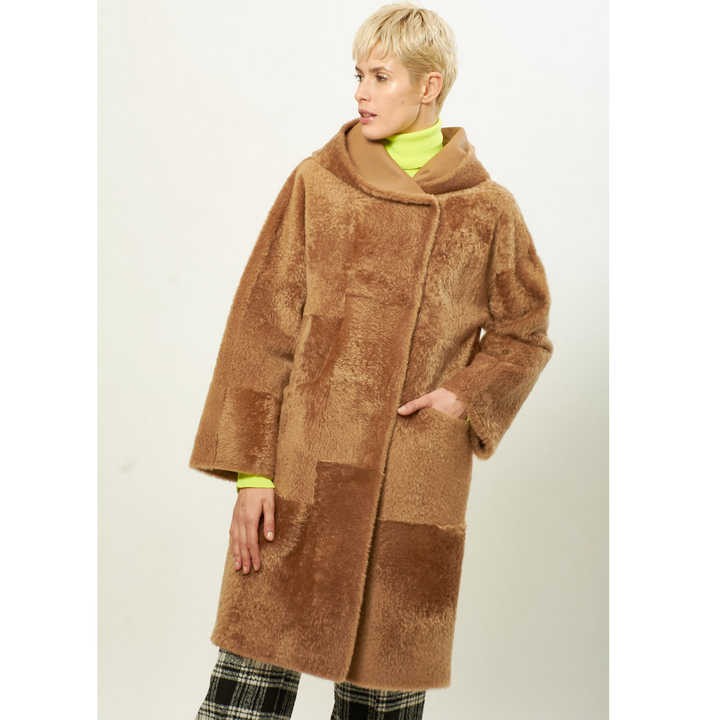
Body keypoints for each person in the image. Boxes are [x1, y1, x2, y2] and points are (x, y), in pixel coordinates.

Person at [191, 3, 553, 718]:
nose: (360, 91)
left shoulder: (487, 209)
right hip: (301, 475)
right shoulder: (317, 184)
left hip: (413, 484)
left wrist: (462, 397)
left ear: (429, 85)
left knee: (382, 701)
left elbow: (525, 332)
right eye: (358, 74)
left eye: (380, 76)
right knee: (243, 700)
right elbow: (259, 332)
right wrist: (252, 475)